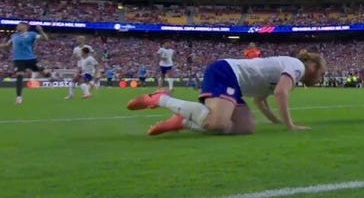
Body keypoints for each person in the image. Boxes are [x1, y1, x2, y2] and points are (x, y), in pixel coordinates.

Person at [127, 50, 327, 136]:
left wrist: (276, 120)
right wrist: (290, 125)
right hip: (226, 73)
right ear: (313, 66)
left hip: (235, 83)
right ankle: (161, 98)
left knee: (245, 127)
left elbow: (260, 100)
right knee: (218, 123)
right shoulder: (298, 67)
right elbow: (281, 92)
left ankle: (182, 121)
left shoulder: (290, 68)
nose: (319, 79)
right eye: (321, 74)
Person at [0, 22, 49, 105]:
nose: (17, 27)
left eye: (18, 25)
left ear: (25, 27)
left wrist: (41, 31)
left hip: (31, 59)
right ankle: (19, 97)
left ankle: (51, 80)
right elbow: (7, 45)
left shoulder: (32, 34)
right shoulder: (14, 36)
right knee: (19, 77)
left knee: (45, 73)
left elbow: (45, 39)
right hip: (18, 59)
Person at [66, 36, 90, 100]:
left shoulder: (87, 47)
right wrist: (77, 57)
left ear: (83, 40)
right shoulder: (76, 49)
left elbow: (92, 56)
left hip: (85, 66)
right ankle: (85, 94)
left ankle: (86, 94)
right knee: (75, 81)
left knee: (78, 81)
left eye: (79, 39)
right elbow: (74, 57)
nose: (77, 40)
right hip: (79, 66)